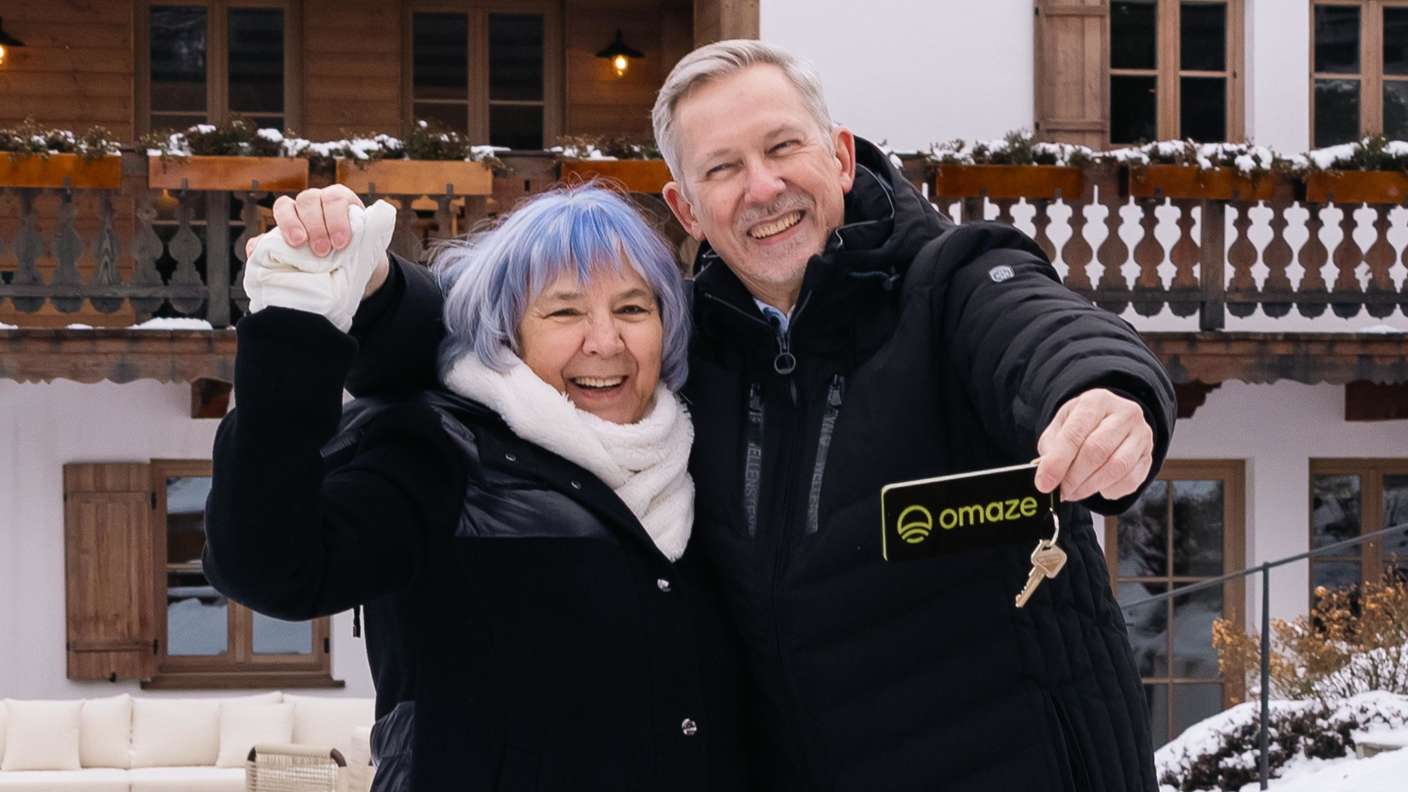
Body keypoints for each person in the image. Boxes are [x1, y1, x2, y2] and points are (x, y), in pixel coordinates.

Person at [270, 41, 1175, 792]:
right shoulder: (677, 349)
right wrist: (371, 292)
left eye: (783, 149)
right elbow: (481, 342)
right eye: (723, 169)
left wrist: (1103, 398)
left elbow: (1043, 331)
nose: (763, 187)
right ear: (686, 208)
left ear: (842, 156)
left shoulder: (949, 285)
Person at [203, 185, 746, 792]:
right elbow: (269, 565)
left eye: (632, 309)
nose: (605, 341)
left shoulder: (703, 459)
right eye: (564, 311)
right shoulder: (441, 454)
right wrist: (291, 326)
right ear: (506, 332)